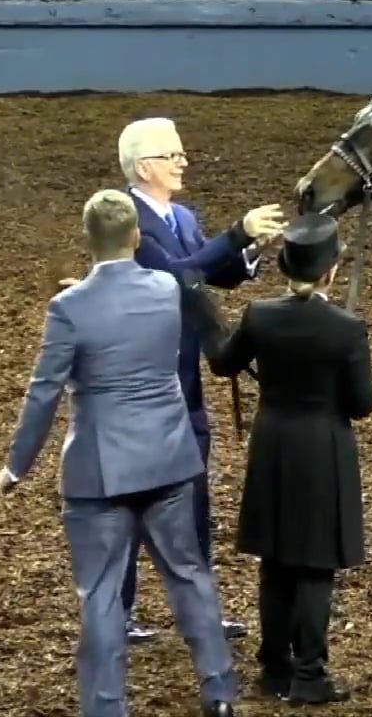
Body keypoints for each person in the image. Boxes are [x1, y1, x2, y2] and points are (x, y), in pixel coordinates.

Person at [0, 189, 239, 717]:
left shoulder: (69, 308)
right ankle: (219, 695)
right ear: (134, 237)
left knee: (101, 596)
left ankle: (106, 709)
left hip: (99, 472)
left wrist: (17, 466)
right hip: (170, 458)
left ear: (88, 239)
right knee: (190, 577)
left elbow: (44, 391)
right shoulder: (167, 290)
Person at [178, 213, 372, 706]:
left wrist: (200, 306)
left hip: (272, 443)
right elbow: (361, 404)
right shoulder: (347, 328)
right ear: (331, 270)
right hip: (323, 446)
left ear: (286, 265)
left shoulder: (260, 314)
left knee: (276, 561)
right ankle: (309, 674)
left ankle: (274, 669)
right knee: (313, 566)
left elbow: (223, 361)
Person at [116, 116, 286, 643]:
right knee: (131, 508)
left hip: (185, 381)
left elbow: (216, 271)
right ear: (144, 166)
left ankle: (200, 611)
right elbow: (176, 274)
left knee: (195, 504)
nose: (183, 162)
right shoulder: (126, 217)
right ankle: (120, 614)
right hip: (146, 382)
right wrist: (236, 232)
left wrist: (251, 250)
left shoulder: (182, 215)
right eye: (173, 155)